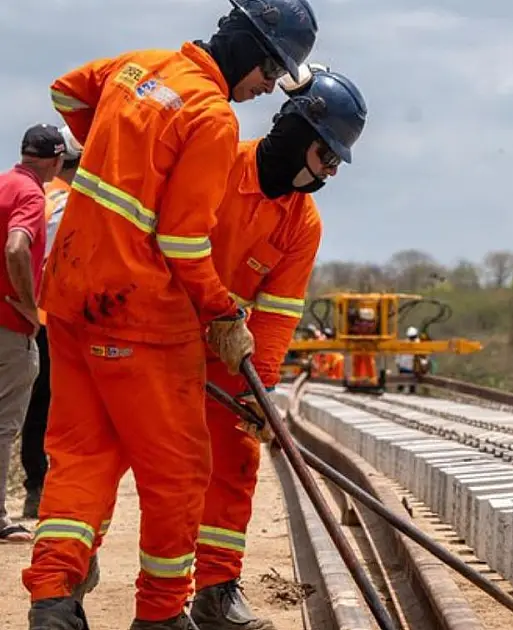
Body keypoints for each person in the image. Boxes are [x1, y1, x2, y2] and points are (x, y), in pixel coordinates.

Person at [24, 2, 319, 628]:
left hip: (71, 297)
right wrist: (220, 310)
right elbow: (185, 242)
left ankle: (52, 600)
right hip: (138, 316)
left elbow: (63, 91)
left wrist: (112, 143)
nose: (267, 87)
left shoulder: (137, 68)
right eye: (270, 71)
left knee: (82, 456)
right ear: (248, 50)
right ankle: (160, 616)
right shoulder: (211, 120)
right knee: (180, 472)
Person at [80, 64, 366, 630]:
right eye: (326, 156)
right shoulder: (219, 161)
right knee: (113, 453)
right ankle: (76, 564)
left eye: (336, 163)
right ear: (296, 135)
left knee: (236, 457)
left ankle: (216, 589)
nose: (329, 173)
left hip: (224, 346)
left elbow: (280, 313)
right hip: (153, 330)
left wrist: (262, 387)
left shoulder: (301, 223)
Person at [0, 124, 65, 544]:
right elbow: (16, 248)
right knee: (5, 425)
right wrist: (27, 302)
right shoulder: (30, 194)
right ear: (57, 161)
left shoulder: (4, 183)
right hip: (11, 326)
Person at [19, 126, 81, 521]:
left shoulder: (33, 192)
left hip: (26, 316)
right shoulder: (71, 197)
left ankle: (35, 489)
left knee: (30, 410)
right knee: (58, 407)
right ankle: (50, 490)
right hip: (56, 318)